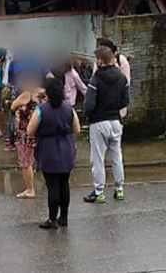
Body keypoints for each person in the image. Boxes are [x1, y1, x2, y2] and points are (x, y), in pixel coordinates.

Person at [28, 78, 80, 229]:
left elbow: (30, 130)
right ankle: (64, 217)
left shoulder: (41, 110)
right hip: (67, 148)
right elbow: (76, 128)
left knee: (52, 186)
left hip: (48, 149)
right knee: (64, 183)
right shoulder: (69, 108)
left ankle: (52, 219)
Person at [83, 46, 130, 204]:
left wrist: (89, 116)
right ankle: (119, 190)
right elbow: (125, 101)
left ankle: (99, 192)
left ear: (100, 61)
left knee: (97, 158)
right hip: (116, 121)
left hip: (99, 122)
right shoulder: (122, 78)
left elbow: (89, 105)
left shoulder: (96, 79)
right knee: (117, 156)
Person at [11, 69, 47, 199]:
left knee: (26, 161)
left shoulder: (27, 94)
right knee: (41, 158)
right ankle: (47, 183)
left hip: (26, 132)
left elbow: (13, 106)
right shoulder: (44, 92)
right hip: (41, 129)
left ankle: (30, 189)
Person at [95, 39, 132, 118]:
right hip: (102, 105)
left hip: (117, 106)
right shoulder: (98, 62)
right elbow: (94, 79)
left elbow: (126, 81)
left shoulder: (121, 60)